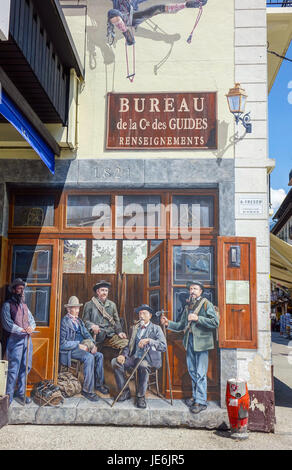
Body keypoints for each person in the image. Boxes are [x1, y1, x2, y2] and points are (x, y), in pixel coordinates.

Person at [161, 281, 219, 414]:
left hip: (203, 343)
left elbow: (215, 322)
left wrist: (198, 318)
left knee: (200, 373)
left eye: (195, 289)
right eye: (191, 289)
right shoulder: (188, 306)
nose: (192, 291)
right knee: (192, 371)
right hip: (190, 341)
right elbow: (181, 325)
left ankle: (201, 401)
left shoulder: (206, 304)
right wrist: (167, 323)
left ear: (201, 291)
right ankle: (196, 397)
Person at [111, 304, 166, 408]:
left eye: (144, 313)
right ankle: (125, 391)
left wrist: (149, 341)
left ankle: (140, 396)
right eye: (140, 313)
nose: (141, 316)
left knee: (143, 365)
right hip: (134, 357)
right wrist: (123, 355)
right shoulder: (134, 328)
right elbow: (128, 346)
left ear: (150, 316)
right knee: (115, 362)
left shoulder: (156, 328)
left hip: (148, 359)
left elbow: (163, 346)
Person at [59, 296, 109, 402]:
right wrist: (78, 345)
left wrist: (93, 344)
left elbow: (87, 334)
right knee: (89, 358)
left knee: (99, 355)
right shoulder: (64, 322)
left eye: (78, 308)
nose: (77, 310)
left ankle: (99, 385)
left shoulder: (79, 321)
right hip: (70, 350)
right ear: (68, 309)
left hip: (83, 347)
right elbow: (62, 344)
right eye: (75, 308)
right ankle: (87, 390)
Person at [107, 0, 208, 46]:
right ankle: (127, 35)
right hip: (120, 16)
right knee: (112, 12)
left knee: (157, 9)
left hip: (134, 17)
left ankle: (187, 4)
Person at [1, 278, 36, 406]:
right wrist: (22, 330)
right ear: (14, 290)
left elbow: (32, 321)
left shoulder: (24, 306)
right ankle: (8, 397)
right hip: (15, 341)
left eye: (23, 288)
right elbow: (7, 324)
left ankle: (21, 393)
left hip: (27, 340)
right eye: (19, 288)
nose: (22, 291)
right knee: (13, 368)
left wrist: (31, 328)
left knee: (26, 367)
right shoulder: (7, 305)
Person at [82, 280, 128, 351]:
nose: (104, 293)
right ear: (98, 292)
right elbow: (85, 321)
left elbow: (116, 321)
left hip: (110, 334)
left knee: (126, 343)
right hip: (96, 335)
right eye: (102, 290)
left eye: (106, 291)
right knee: (90, 350)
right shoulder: (89, 305)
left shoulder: (112, 305)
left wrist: (119, 332)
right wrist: (92, 326)